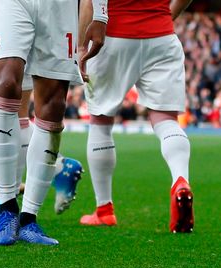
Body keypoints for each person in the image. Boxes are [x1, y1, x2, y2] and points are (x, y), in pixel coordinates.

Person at [0, 0, 106, 245]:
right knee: (5, 84)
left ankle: (29, 218)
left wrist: (101, 15)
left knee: (54, 104)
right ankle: (6, 207)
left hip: (60, 7)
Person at [78, 0, 195, 233]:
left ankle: (104, 210)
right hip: (162, 36)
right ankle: (180, 181)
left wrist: (81, 46)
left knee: (101, 121)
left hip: (113, 36)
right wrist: (164, 17)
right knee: (166, 121)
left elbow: (90, 3)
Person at [0, 42, 85, 220]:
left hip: (20, 27)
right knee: (0, 112)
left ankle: (55, 168)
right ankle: (9, 199)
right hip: (4, 26)